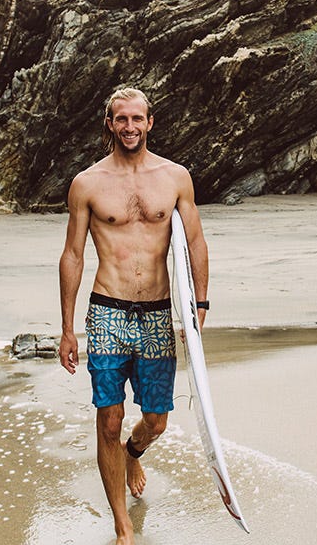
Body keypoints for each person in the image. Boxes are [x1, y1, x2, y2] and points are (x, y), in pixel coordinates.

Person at [59, 87, 209, 545]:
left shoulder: (175, 177)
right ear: (109, 123)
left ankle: (133, 452)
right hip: (107, 310)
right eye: (120, 119)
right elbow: (72, 255)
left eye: (137, 119)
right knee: (108, 416)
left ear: (150, 122)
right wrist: (68, 329)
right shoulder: (87, 183)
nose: (129, 127)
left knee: (157, 418)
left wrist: (198, 307)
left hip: (159, 312)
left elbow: (197, 242)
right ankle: (122, 526)